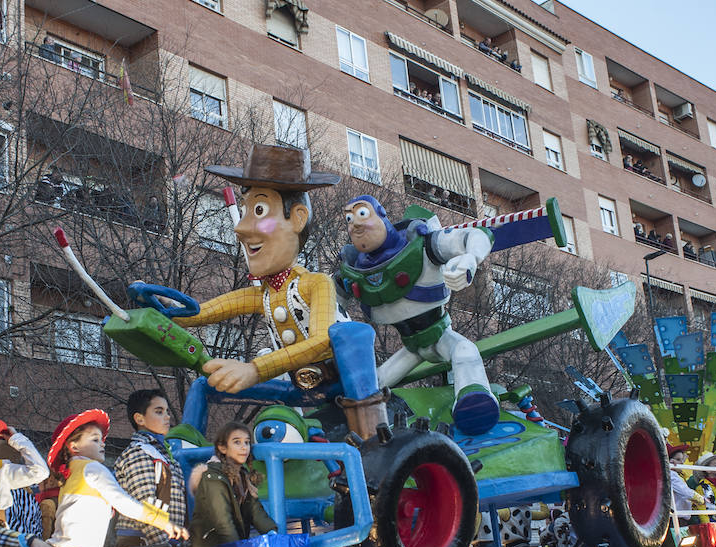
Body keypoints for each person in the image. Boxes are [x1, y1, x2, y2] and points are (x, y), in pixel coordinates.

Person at [179, 144, 343, 396]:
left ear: (298, 218)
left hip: (346, 384)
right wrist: (163, 308)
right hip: (303, 389)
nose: (241, 228)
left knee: (358, 335)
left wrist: (255, 370)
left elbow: (322, 340)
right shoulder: (264, 295)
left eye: (259, 210)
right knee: (203, 387)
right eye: (245, 212)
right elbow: (202, 312)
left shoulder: (315, 283)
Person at [335, 195, 499, 433]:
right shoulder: (353, 269)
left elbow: (477, 235)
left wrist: (470, 259)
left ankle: (474, 403)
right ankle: (356, 427)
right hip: (410, 347)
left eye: (361, 214)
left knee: (465, 351)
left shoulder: (424, 244)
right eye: (349, 219)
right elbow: (328, 301)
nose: (355, 225)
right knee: (372, 384)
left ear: (381, 214)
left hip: (440, 335)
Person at [47, 409, 189, 547]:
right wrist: (163, 522)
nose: (102, 444)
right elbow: (124, 503)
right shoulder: (93, 468)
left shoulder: (71, 473)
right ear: (74, 446)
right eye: (95, 440)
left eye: (102, 440)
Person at [109, 389, 187, 547]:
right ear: (139, 418)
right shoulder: (138, 452)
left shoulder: (164, 454)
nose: (167, 417)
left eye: (167, 412)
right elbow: (145, 505)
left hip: (165, 541)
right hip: (141, 545)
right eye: (159, 412)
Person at [188, 422, 278, 547]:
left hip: (229, 546)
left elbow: (254, 510)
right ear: (222, 448)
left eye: (247, 442)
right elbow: (223, 521)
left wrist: (271, 531)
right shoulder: (213, 478)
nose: (244, 448)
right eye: (237, 442)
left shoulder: (242, 476)